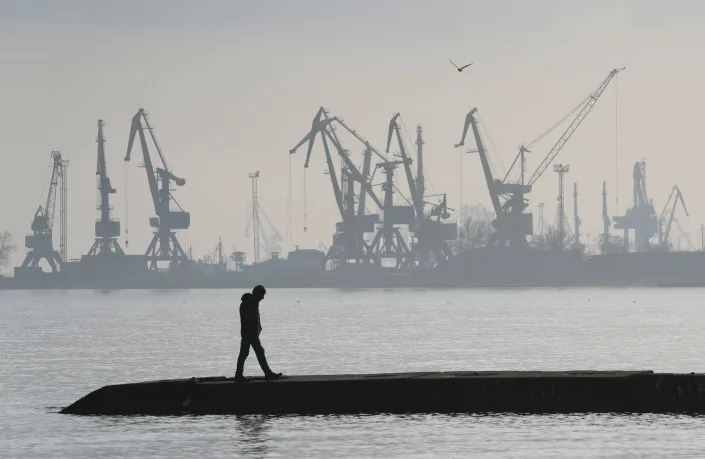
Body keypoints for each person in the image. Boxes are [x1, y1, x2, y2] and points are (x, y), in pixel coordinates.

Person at [235, 285, 282, 382]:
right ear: (257, 293)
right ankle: (239, 375)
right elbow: (248, 320)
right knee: (247, 353)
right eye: (262, 295)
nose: (263, 298)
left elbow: (255, 320)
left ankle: (240, 375)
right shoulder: (248, 303)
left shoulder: (253, 303)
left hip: (252, 334)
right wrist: (253, 333)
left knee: (253, 353)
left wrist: (258, 329)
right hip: (249, 334)